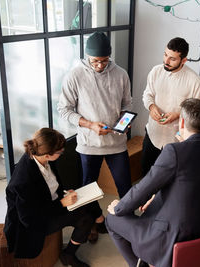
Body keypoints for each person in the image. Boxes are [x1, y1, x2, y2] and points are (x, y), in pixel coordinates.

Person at [105, 98, 200, 267]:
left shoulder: (174, 151)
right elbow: (188, 188)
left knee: (112, 220)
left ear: (182, 121)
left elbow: (142, 189)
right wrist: (154, 199)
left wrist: (118, 208)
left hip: (171, 239)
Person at [58, 31, 133, 241]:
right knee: (88, 189)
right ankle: (96, 220)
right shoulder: (75, 76)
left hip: (116, 143)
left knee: (126, 187)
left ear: (109, 56)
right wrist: (90, 125)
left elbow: (127, 103)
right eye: (95, 61)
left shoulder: (121, 74)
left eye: (104, 61)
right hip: (89, 144)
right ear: (86, 56)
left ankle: (128, 226)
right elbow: (64, 109)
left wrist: (124, 122)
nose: (99, 65)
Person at [4, 128, 100, 267]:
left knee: (88, 201)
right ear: (47, 155)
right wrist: (62, 203)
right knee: (86, 218)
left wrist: (64, 193)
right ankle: (69, 255)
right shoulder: (23, 181)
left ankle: (98, 222)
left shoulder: (42, 158)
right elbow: (29, 219)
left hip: (51, 204)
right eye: (60, 152)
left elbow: (50, 186)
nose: (62, 154)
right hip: (35, 223)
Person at [141, 37, 200, 176]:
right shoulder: (156, 71)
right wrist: (151, 107)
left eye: (172, 59)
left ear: (184, 60)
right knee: (146, 176)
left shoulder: (195, 81)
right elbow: (147, 95)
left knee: (169, 182)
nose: (166, 61)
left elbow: (198, 113)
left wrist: (178, 114)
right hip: (152, 136)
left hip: (176, 142)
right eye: (165, 55)